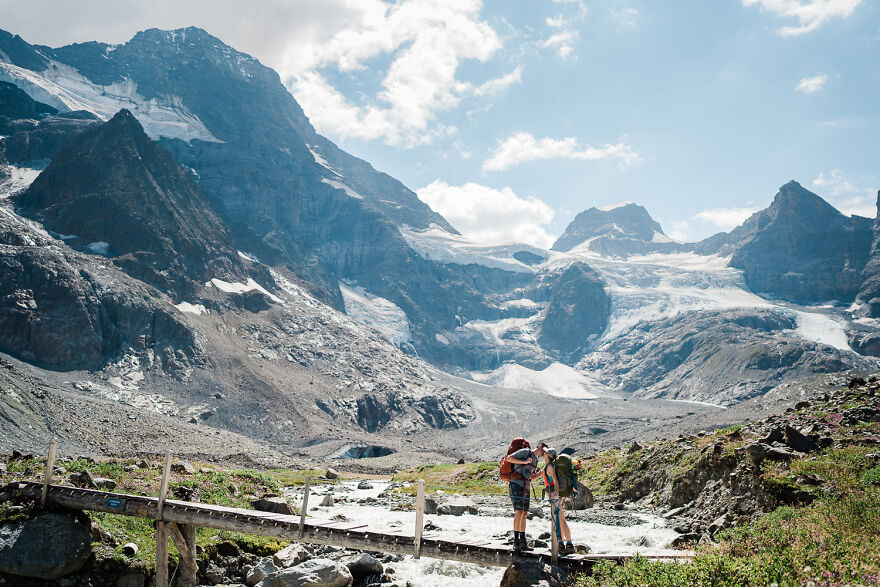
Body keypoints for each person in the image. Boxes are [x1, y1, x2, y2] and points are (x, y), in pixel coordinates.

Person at [506, 442, 545, 552]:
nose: (544, 453)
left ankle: (523, 542)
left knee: (524, 513)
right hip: (516, 484)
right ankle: (516, 542)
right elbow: (509, 458)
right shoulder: (526, 452)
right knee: (519, 512)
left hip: (525, 486)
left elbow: (530, 478)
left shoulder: (536, 460)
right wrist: (524, 461)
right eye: (544, 450)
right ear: (540, 447)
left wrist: (540, 475)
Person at [540, 446, 575, 555]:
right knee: (559, 520)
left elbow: (555, 479)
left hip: (556, 496)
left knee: (561, 520)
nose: (543, 454)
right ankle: (562, 544)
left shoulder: (550, 466)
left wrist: (555, 491)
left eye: (545, 453)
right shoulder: (549, 466)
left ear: (548, 456)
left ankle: (568, 545)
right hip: (557, 495)